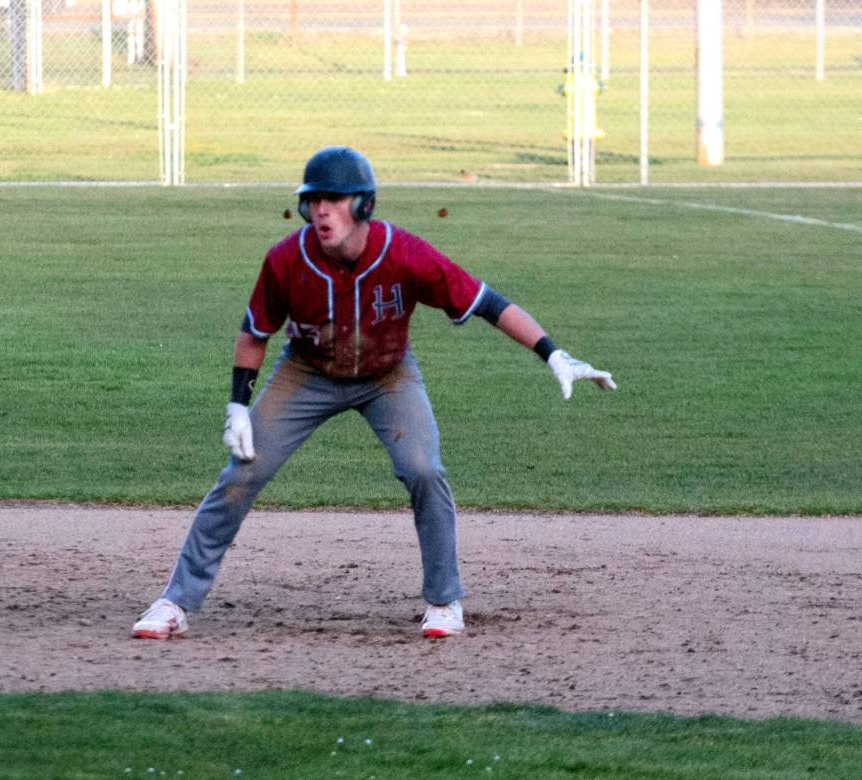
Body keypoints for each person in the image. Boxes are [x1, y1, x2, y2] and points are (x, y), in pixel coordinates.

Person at [132, 146, 616, 641]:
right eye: (314, 199)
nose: (322, 210)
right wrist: (238, 403)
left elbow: (487, 302)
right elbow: (255, 331)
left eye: (335, 199)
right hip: (307, 372)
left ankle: (444, 601)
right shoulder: (285, 260)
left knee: (424, 469)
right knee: (242, 471)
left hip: (389, 375)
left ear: (364, 205)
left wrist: (554, 354)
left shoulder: (405, 254)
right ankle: (176, 600)